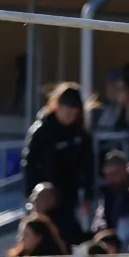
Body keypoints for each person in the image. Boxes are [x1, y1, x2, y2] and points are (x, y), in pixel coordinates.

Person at [23, 83, 94, 247]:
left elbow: (88, 166)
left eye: (74, 114)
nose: (71, 117)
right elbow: (30, 162)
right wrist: (31, 193)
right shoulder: (43, 131)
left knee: (69, 233)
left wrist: (88, 194)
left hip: (69, 194)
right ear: (58, 107)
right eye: (68, 112)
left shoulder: (80, 134)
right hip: (46, 195)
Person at [92, 151, 129, 243]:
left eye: (115, 174)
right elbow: (100, 217)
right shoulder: (108, 194)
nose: (113, 179)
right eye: (109, 175)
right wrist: (103, 230)